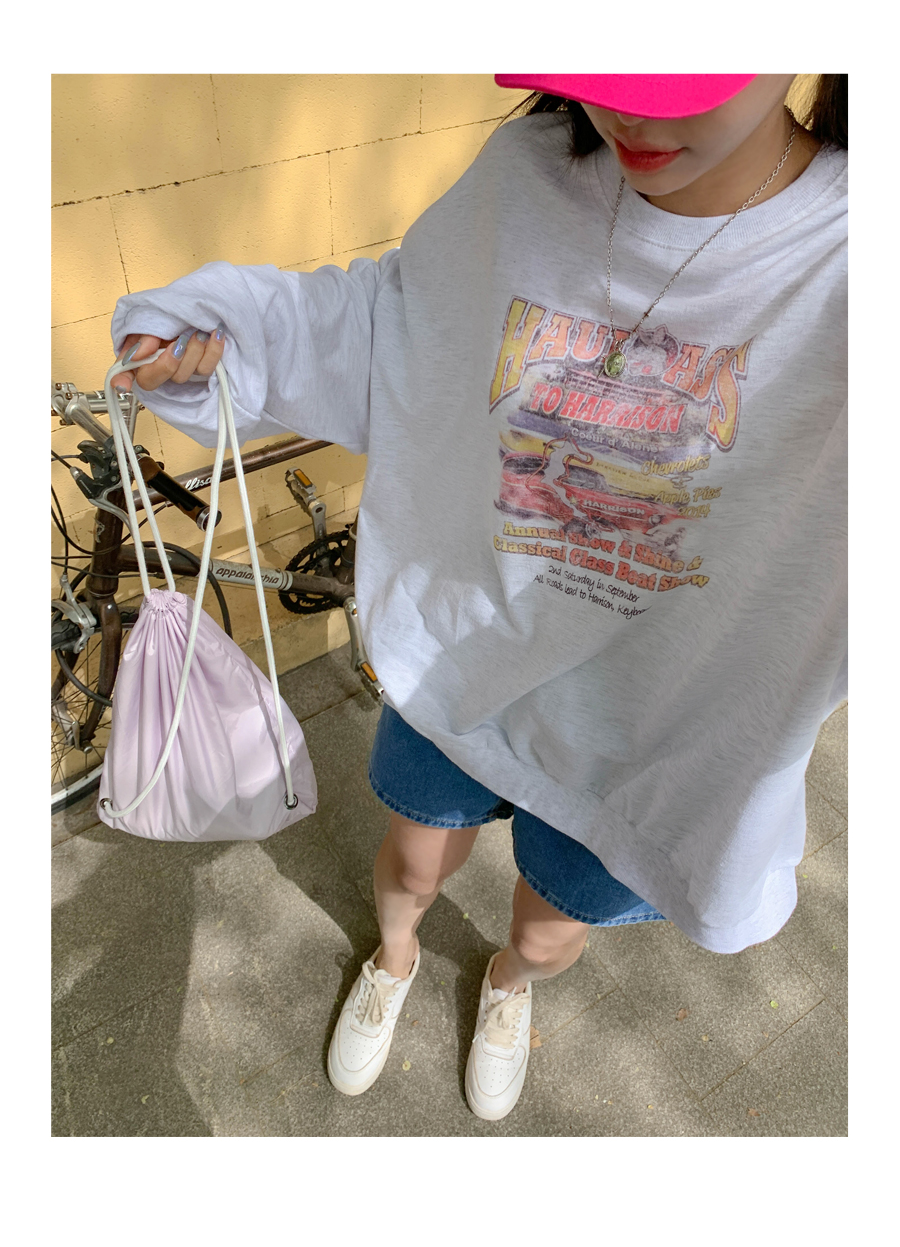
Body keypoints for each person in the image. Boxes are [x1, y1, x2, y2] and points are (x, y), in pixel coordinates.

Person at [109, 74, 848, 1122]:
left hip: (654, 736)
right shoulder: (530, 176)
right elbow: (397, 323)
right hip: (467, 651)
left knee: (547, 932)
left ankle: (505, 986)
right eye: (598, 66)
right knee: (411, 864)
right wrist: (228, 334)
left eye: (683, 72)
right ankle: (396, 957)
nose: (632, 113)